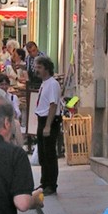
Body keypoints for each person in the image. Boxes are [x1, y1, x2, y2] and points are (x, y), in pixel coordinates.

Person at [34, 56, 62, 196]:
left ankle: (51, 184)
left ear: (46, 68)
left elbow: (53, 105)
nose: (36, 70)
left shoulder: (52, 84)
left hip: (48, 120)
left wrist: (48, 125)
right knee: (42, 154)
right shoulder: (44, 83)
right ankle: (44, 182)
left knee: (49, 153)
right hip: (42, 119)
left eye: (39, 67)